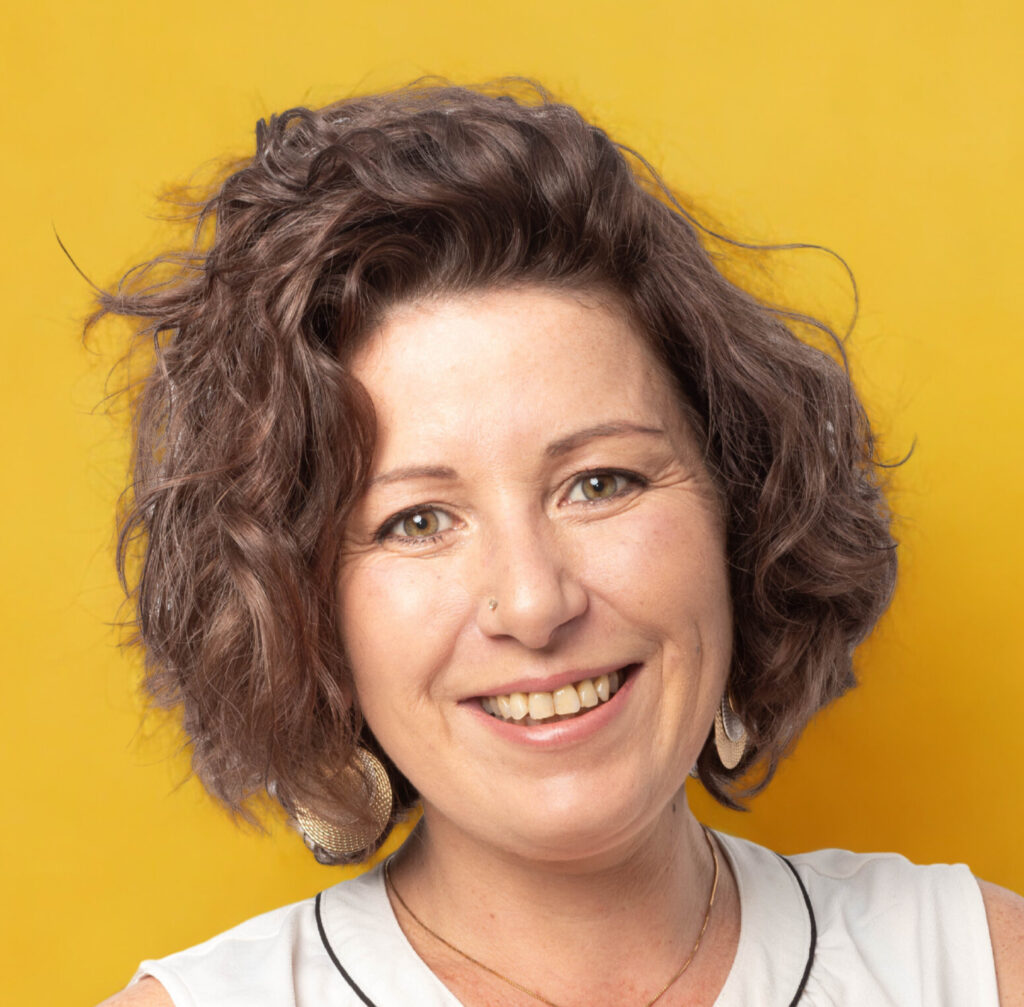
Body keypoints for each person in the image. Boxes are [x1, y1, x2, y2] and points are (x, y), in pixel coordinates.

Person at [96, 81, 1024, 1006]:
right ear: (304, 606)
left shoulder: (981, 966)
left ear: (737, 513)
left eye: (600, 483)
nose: (536, 604)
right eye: (417, 521)